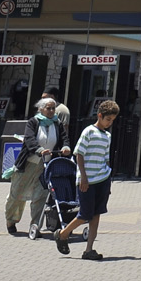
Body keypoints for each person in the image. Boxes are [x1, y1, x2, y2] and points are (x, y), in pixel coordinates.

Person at [55, 99, 119, 260]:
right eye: (107, 119)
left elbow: (106, 158)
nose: (109, 123)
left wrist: (108, 179)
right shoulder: (89, 132)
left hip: (102, 179)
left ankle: (89, 249)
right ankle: (63, 234)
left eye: (112, 120)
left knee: (96, 215)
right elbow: (79, 154)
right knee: (85, 214)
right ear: (99, 115)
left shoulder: (107, 136)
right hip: (87, 180)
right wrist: (83, 177)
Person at [6, 96, 69, 237]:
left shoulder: (57, 123)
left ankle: (35, 225)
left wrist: (65, 147)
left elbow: (64, 138)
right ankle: (11, 220)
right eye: (48, 108)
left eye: (53, 108)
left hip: (47, 164)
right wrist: (39, 150)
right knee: (17, 194)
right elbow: (29, 139)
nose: (52, 111)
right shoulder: (33, 122)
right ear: (41, 109)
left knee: (41, 195)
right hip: (29, 163)